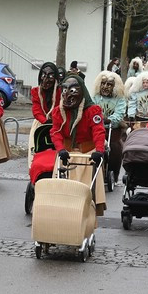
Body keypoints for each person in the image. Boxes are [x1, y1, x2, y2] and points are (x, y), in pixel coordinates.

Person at [29, 71, 107, 213]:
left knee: (86, 194)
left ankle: (85, 219)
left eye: (73, 90)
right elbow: (55, 132)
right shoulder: (59, 111)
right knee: (62, 194)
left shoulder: (92, 110)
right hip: (66, 154)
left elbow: (98, 131)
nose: (68, 95)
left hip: (87, 156)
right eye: (65, 91)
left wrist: (99, 151)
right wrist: (60, 150)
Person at [91, 70, 126, 186]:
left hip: (112, 129)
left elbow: (120, 113)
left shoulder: (119, 99)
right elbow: (90, 109)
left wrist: (110, 119)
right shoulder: (95, 97)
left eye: (109, 84)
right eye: (103, 83)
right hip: (96, 128)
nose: (105, 87)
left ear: (115, 87)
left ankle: (114, 174)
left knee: (116, 148)